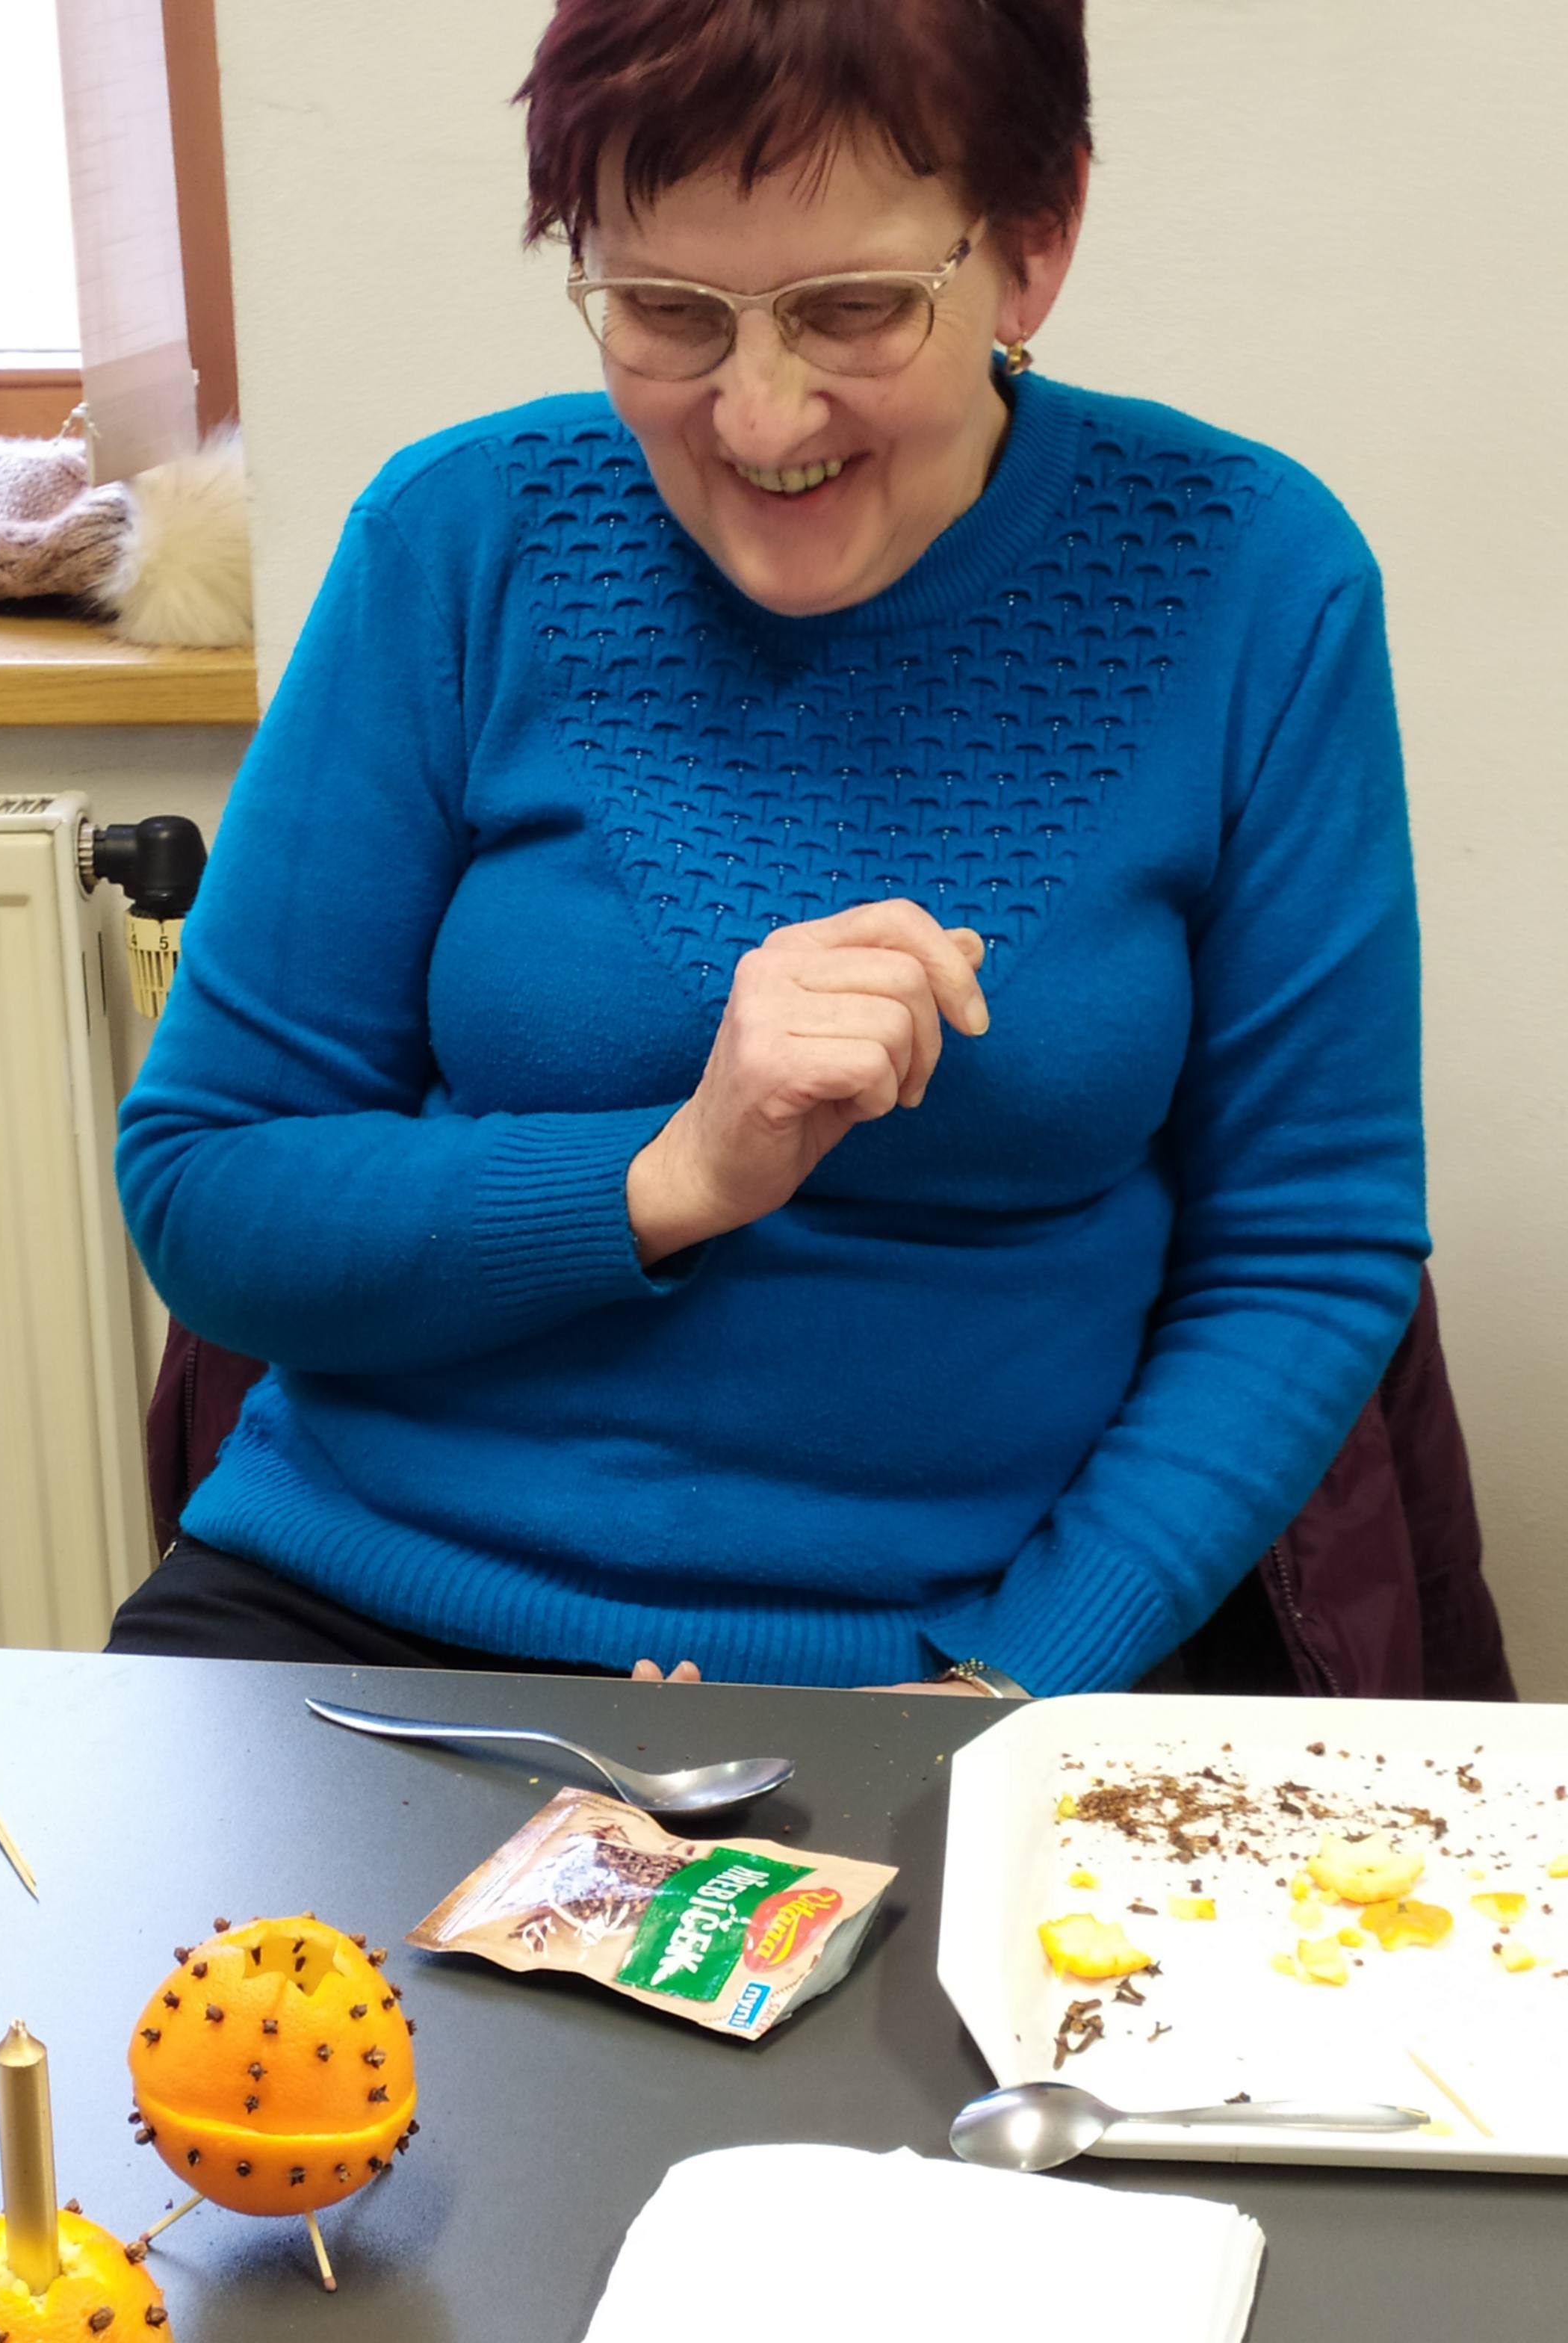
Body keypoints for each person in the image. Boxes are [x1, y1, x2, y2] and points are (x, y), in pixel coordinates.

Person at [111, 0, 1435, 1700]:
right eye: (667, 312)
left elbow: (1306, 1251)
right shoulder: (458, 544)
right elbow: (209, 1185)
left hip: (972, 1653)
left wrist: (1005, 1686)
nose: (758, 416)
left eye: (854, 309)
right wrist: (676, 1175)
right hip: (369, 1604)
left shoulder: (1248, 577)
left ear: (1035, 244)